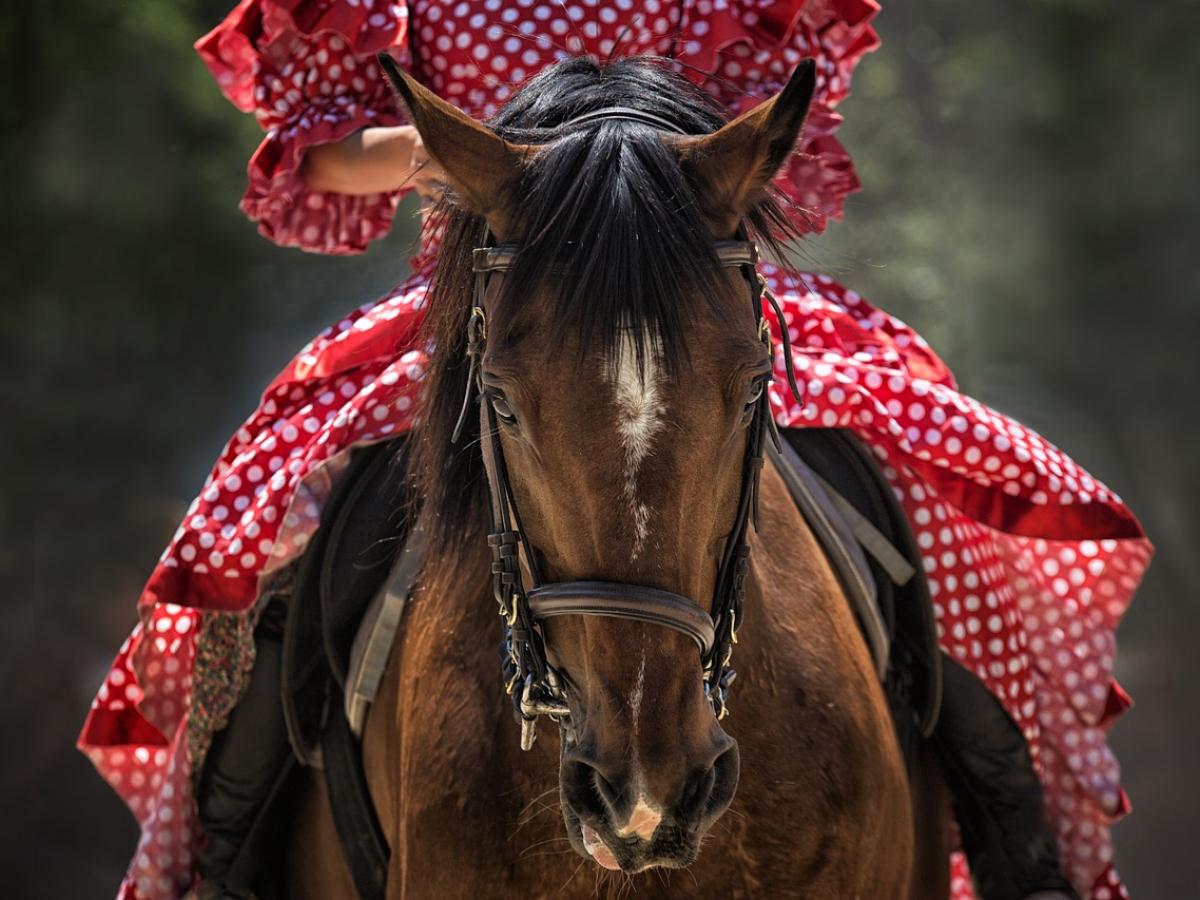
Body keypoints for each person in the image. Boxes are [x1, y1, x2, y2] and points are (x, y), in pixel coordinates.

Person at [77, 1, 1152, 899]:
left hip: (681, 284)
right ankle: (225, 851)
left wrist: (641, 160)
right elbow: (325, 155)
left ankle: (1018, 839)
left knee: (931, 492)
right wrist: (499, 159)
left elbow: (779, 125)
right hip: (497, 295)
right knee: (282, 534)